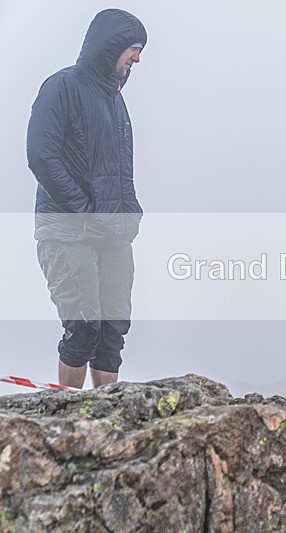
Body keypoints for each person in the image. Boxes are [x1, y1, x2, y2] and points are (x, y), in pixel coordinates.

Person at [26, 9, 147, 389]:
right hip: (66, 230)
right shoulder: (62, 87)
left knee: (112, 332)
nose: (138, 58)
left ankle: (109, 421)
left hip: (112, 234)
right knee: (84, 328)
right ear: (110, 45)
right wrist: (83, 212)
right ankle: (68, 422)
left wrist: (131, 214)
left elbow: (118, 171)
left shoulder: (116, 102)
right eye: (134, 47)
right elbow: (40, 155)